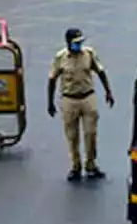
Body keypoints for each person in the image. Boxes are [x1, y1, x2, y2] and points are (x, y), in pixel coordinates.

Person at [46, 28, 115, 181]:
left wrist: (108, 92)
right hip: (69, 99)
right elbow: (52, 79)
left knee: (91, 133)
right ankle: (76, 166)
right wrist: (50, 103)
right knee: (72, 135)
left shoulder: (89, 54)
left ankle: (91, 164)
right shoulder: (61, 57)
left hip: (87, 97)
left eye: (80, 42)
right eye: (75, 42)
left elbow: (100, 71)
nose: (79, 45)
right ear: (68, 43)